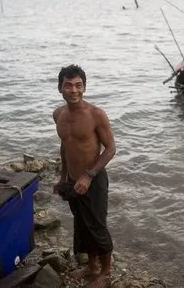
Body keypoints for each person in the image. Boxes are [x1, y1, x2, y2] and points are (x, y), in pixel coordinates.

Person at [52, 64, 116, 287]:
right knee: (82, 225)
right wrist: (63, 178)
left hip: (94, 179)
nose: (73, 90)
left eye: (78, 85)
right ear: (60, 88)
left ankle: (106, 272)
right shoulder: (58, 114)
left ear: (85, 88)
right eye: (68, 85)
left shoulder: (96, 115)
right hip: (72, 180)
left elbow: (110, 149)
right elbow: (65, 147)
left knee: (97, 226)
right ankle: (92, 267)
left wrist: (89, 175)